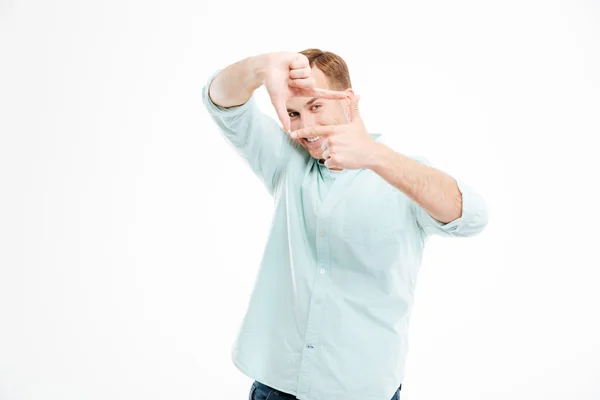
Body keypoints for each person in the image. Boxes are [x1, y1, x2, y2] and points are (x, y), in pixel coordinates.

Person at [202, 48, 489, 400]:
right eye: (293, 113)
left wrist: (372, 155)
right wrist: (262, 68)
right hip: (276, 388)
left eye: (316, 106)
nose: (305, 127)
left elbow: (472, 217)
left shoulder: (403, 175)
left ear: (348, 102)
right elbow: (220, 101)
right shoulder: (287, 162)